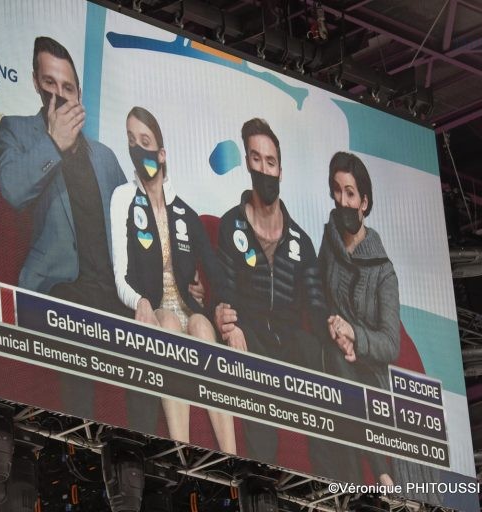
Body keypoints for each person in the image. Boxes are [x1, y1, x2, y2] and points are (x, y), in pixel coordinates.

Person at [0, 36, 127, 420]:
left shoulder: (104, 157)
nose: (59, 94)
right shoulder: (18, 131)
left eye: (67, 87)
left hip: (113, 294)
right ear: (36, 83)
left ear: (79, 94)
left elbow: (133, 230)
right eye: (50, 84)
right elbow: (12, 191)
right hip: (58, 290)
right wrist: (53, 142)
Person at [110, 106, 236, 453]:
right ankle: (183, 452)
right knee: (168, 323)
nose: (139, 149)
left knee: (200, 326)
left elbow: (215, 272)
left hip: (186, 306)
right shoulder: (123, 198)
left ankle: (231, 455)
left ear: (161, 153)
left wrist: (229, 318)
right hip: (151, 309)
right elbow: (119, 272)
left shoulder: (184, 212)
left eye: (146, 141)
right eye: (132, 141)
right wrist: (141, 302)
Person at [214, 118, 327, 463]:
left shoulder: (301, 241)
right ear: (248, 163)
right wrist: (226, 322)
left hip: (291, 340)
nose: (265, 168)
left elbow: (317, 306)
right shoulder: (229, 224)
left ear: (281, 169)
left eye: (271, 161)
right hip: (252, 335)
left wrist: (336, 330)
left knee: (316, 355)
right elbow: (226, 291)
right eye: (257, 159)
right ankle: (261, 473)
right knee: (249, 359)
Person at [315, 151, 399, 484]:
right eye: (337, 190)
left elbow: (391, 344)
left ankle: (377, 473)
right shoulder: (330, 238)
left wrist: (355, 338)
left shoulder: (384, 271)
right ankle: (379, 474)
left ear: (364, 202)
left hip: (369, 371)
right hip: (333, 350)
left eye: (350, 193)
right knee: (335, 361)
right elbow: (318, 294)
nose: (342, 199)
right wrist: (335, 327)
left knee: (343, 369)